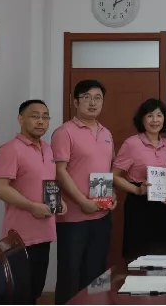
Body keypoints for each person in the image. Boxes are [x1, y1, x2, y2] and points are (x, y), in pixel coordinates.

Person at [0, 99, 67, 302]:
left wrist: (58, 200)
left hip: (45, 232)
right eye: (34, 116)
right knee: (20, 295)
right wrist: (32, 207)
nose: (40, 121)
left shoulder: (47, 148)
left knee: (34, 292)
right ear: (20, 119)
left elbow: (46, 181)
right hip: (20, 236)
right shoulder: (10, 149)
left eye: (45, 117)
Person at [52, 80, 117, 305]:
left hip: (101, 215)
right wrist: (82, 201)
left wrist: (112, 194)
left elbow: (107, 169)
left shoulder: (106, 133)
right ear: (75, 101)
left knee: (97, 274)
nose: (92, 103)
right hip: (73, 218)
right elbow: (59, 171)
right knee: (70, 275)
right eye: (87, 97)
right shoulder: (64, 132)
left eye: (97, 98)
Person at [113, 98, 166, 258]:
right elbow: (114, 176)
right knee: (137, 254)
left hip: (162, 206)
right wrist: (137, 190)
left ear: (164, 119)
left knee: (161, 254)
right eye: (150, 116)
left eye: (159, 115)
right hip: (138, 204)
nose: (155, 120)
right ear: (142, 119)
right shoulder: (132, 144)